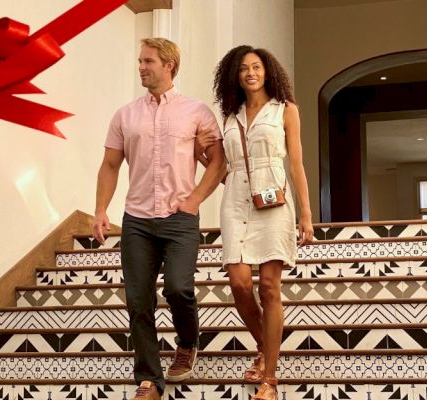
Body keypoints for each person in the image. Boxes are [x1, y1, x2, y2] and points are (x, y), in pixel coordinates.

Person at [93, 38, 226, 400]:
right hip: (136, 219)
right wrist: (101, 209)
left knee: (178, 288)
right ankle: (149, 380)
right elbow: (109, 165)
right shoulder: (125, 115)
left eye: (148, 61)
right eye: (139, 61)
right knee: (138, 301)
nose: (141, 67)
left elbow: (218, 162)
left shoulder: (196, 111)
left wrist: (195, 200)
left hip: (179, 217)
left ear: (169, 65)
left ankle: (187, 342)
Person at [196, 45, 314, 400]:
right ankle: (266, 345)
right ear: (235, 75)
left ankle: (271, 381)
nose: (251, 73)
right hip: (235, 200)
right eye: (244, 68)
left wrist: (306, 214)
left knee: (269, 287)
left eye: (257, 67)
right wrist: (202, 154)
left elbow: (296, 165)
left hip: (274, 199)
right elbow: (224, 171)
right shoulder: (230, 116)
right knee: (239, 282)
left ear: (268, 71)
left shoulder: (285, 111)